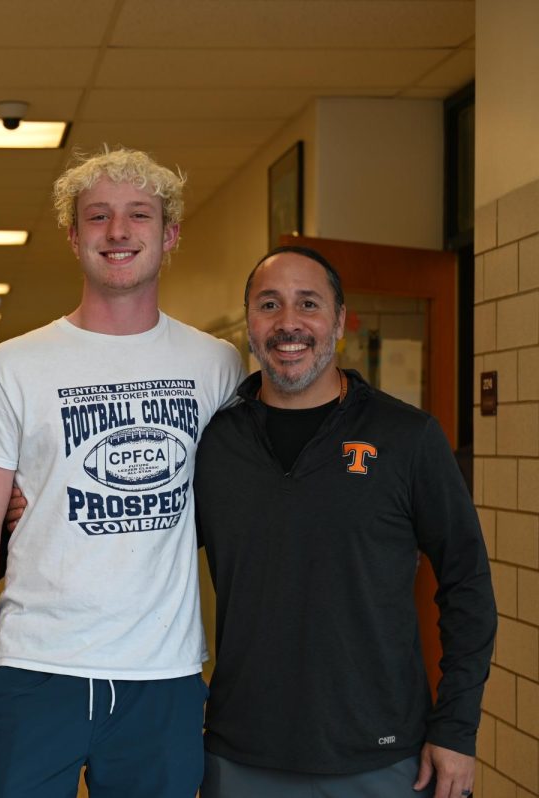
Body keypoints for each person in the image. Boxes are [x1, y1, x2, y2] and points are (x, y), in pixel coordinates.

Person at [0, 147, 245, 798]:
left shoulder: (218, 366)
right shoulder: (15, 366)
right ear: (73, 235)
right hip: (33, 668)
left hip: (163, 677)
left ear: (169, 236)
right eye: (98, 216)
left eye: (139, 215)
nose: (117, 232)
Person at [194, 245, 496, 798]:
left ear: (338, 319)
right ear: (249, 325)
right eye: (269, 305)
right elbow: (140, 550)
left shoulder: (408, 437)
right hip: (241, 755)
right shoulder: (213, 445)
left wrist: (455, 727)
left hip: (384, 758)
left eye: (308, 303)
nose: (289, 323)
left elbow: (468, 585)